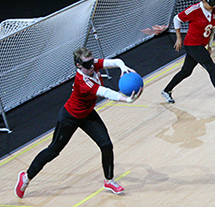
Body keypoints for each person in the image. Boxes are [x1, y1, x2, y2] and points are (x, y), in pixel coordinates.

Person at [14, 47, 142, 198]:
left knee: (106, 145)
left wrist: (122, 67)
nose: (92, 67)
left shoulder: (91, 65)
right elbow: (105, 92)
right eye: (87, 65)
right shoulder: (83, 82)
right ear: (78, 66)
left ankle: (109, 180)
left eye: (92, 63)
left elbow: (114, 61)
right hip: (70, 117)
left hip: (87, 114)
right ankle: (26, 177)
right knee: (54, 150)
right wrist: (127, 99)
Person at [160, 0, 215, 108]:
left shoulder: (214, 11)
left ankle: (166, 91)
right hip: (192, 44)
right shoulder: (195, 10)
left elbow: (211, 30)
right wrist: (179, 37)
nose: (213, 6)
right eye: (211, 4)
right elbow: (177, 19)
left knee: (186, 71)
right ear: (204, 1)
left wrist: (209, 45)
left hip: (201, 44)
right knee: (212, 68)